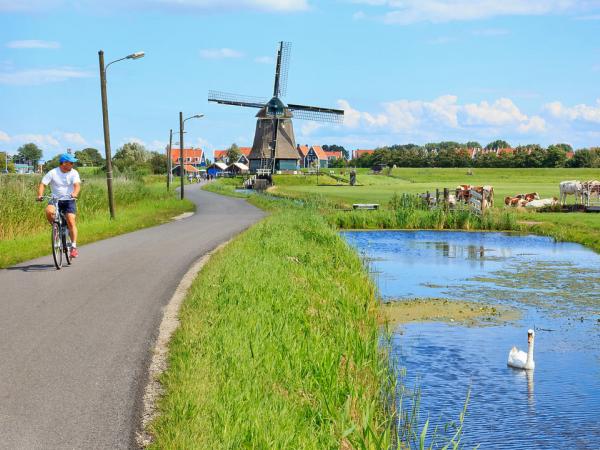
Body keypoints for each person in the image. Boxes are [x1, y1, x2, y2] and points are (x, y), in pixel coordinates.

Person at [37, 153, 81, 258]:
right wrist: (40, 195)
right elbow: (43, 184)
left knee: (71, 221)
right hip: (55, 199)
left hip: (69, 200)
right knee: (49, 211)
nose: (72, 164)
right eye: (71, 163)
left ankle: (73, 247)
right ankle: (56, 228)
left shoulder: (74, 173)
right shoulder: (53, 173)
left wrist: (75, 193)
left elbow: (77, 186)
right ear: (64, 163)